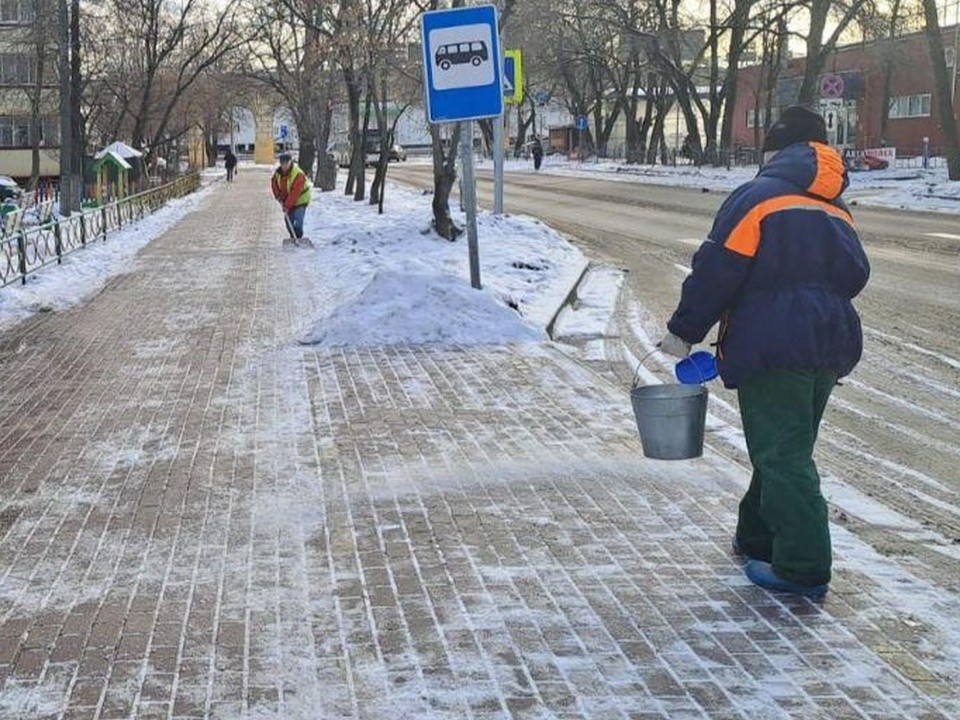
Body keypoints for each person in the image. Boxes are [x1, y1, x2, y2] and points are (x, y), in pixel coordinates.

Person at [658, 105, 870, 601]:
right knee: (784, 446)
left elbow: (718, 269)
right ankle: (755, 536)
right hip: (830, 343)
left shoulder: (757, 198)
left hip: (775, 343)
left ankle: (803, 565)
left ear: (777, 150)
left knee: (783, 455)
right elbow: (857, 274)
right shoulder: (837, 208)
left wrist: (683, 330)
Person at [271, 152, 312, 239]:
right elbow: (274, 184)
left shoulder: (298, 174)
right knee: (288, 220)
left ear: (291, 162)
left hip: (301, 199)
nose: (284, 166)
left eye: (286, 163)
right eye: (282, 163)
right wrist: (278, 196)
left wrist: (286, 205)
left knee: (298, 220)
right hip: (288, 201)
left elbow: (295, 192)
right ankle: (293, 237)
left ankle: (299, 237)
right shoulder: (278, 174)